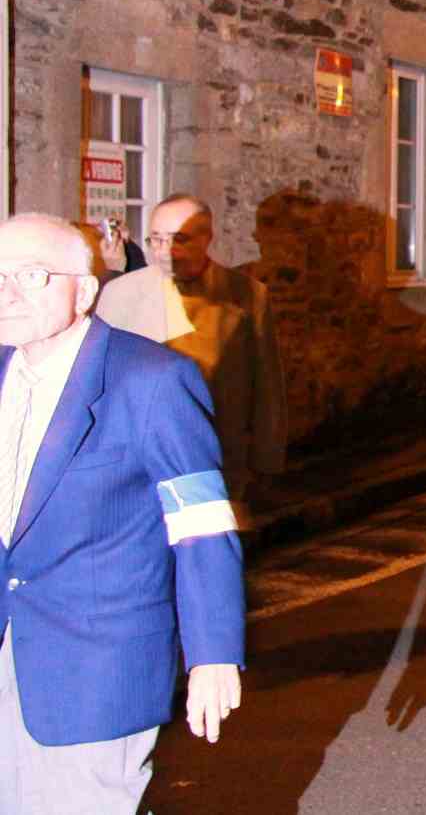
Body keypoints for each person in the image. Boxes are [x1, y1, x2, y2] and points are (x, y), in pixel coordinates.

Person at [0, 214, 245, 812]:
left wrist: (213, 654)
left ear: (85, 291)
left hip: (96, 663)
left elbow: (201, 525)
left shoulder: (151, 380)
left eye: (31, 276)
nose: (7, 293)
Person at [96, 194, 287, 512]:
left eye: (179, 240)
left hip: (216, 461)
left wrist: (267, 461)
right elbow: (98, 382)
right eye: (156, 240)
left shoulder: (247, 295)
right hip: (137, 466)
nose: (165, 251)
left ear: (207, 238)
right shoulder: (119, 294)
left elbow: (266, 384)